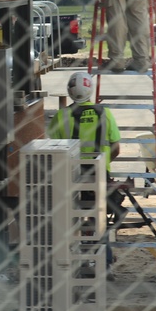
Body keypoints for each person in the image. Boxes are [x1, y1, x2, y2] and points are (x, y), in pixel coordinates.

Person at [47, 71, 122, 278]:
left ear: (70, 91)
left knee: (71, 221)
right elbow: (116, 147)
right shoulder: (104, 113)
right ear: (90, 89)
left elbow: (52, 147)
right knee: (100, 221)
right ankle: (104, 265)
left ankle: (74, 263)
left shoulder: (62, 116)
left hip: (71, 178)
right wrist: (104, 164)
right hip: (99, 177)